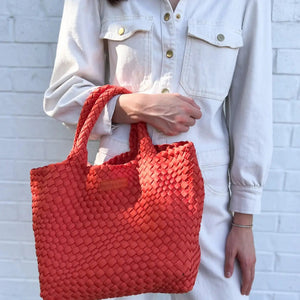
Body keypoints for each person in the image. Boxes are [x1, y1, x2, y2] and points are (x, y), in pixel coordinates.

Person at [43, 0, 273, 299]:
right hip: (117, 196)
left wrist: (244, 221)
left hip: (209, 206)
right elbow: (62, 96)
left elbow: (252, 107)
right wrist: (137, 106)